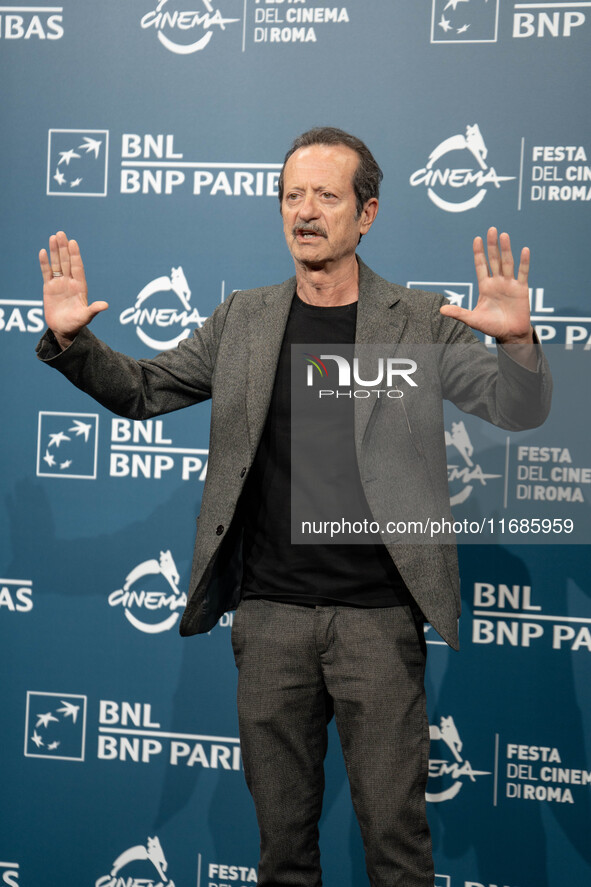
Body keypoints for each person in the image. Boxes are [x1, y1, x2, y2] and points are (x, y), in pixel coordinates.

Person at [37, 127, 551, 887]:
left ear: (366, 213)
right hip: (270, 619)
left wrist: (516, 345)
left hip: (378, 620)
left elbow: (519, 411)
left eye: (325, 196)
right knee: (281, 853)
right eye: (291, 196)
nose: (303, 212)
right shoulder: (242, 319)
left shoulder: (416, 319)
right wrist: (75, 342)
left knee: (397, 851)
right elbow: (143, 391)